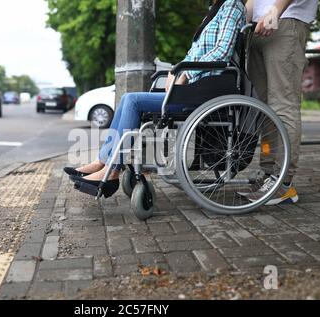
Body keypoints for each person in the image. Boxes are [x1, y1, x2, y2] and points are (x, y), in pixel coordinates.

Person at [65, 0, 247, 198]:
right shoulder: (215, 10)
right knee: (127, 98)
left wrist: (185, 73)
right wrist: (176, 69)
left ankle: (111, 169)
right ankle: (104, 162)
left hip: (204, 92)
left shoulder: (232, 5)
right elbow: (195, 54)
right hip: (194, 89)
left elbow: (222, 52)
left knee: (133, 101)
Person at [244, 0, 318, 205]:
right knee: (265, 109)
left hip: (286, 20)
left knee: (283, 105)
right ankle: (268, 173)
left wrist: (276, 9)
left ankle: (283, 182)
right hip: (258, 27)